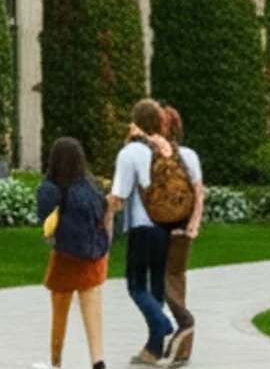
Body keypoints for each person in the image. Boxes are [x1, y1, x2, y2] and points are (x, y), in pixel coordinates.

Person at [108, 99, 180, 365]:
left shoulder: (131, 153)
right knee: (156, 288)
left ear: (135, 122)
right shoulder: (166, 150)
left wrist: (103, 208)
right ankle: (153, 350)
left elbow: (120, 195)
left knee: (137, 286)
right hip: (165, 226)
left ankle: (167, 324)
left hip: (142, 226)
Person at [35, 137, 110, 369]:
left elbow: (43, 215)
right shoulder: (92, 186)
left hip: (65, 258)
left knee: (60, 312)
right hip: (93, 258)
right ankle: (98, 360)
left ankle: (55, 361)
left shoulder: (52, 188)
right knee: (92, 313)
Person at [160, 106, 206, 366]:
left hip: (165, 228)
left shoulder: (157, 156)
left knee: (168, 283)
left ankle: (181, 332)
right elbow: (198, 193)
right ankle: (179, 346)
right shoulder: (189, 156)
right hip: (180, 227)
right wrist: (192, 227)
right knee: (173, 281)